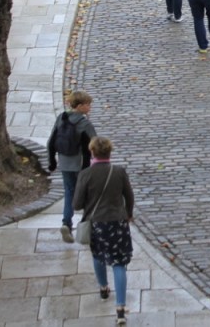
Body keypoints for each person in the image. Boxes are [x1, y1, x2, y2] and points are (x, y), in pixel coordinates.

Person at [73, 136, 134, 327]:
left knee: (98, 256)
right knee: (119, 262)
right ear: (110, 152)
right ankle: (120, 308)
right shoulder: (119, 171)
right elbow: (129, 196)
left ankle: (103, 288)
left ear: (92, 152)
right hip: (117, 222)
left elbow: (76, 204)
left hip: (97, 223)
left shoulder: (85, 175)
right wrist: (128, 214)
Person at [46, 90, 98, 243]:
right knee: (88, 195)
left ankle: (66, 223)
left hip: (64, 163)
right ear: (80, 106)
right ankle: (87, 226)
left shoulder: (61, 118)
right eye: (88, 105)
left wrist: (52, 162)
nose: (90, 107)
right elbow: (95, 143)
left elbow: (51, 141)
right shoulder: (84, 123)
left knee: (69, 192)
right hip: (82, 165)